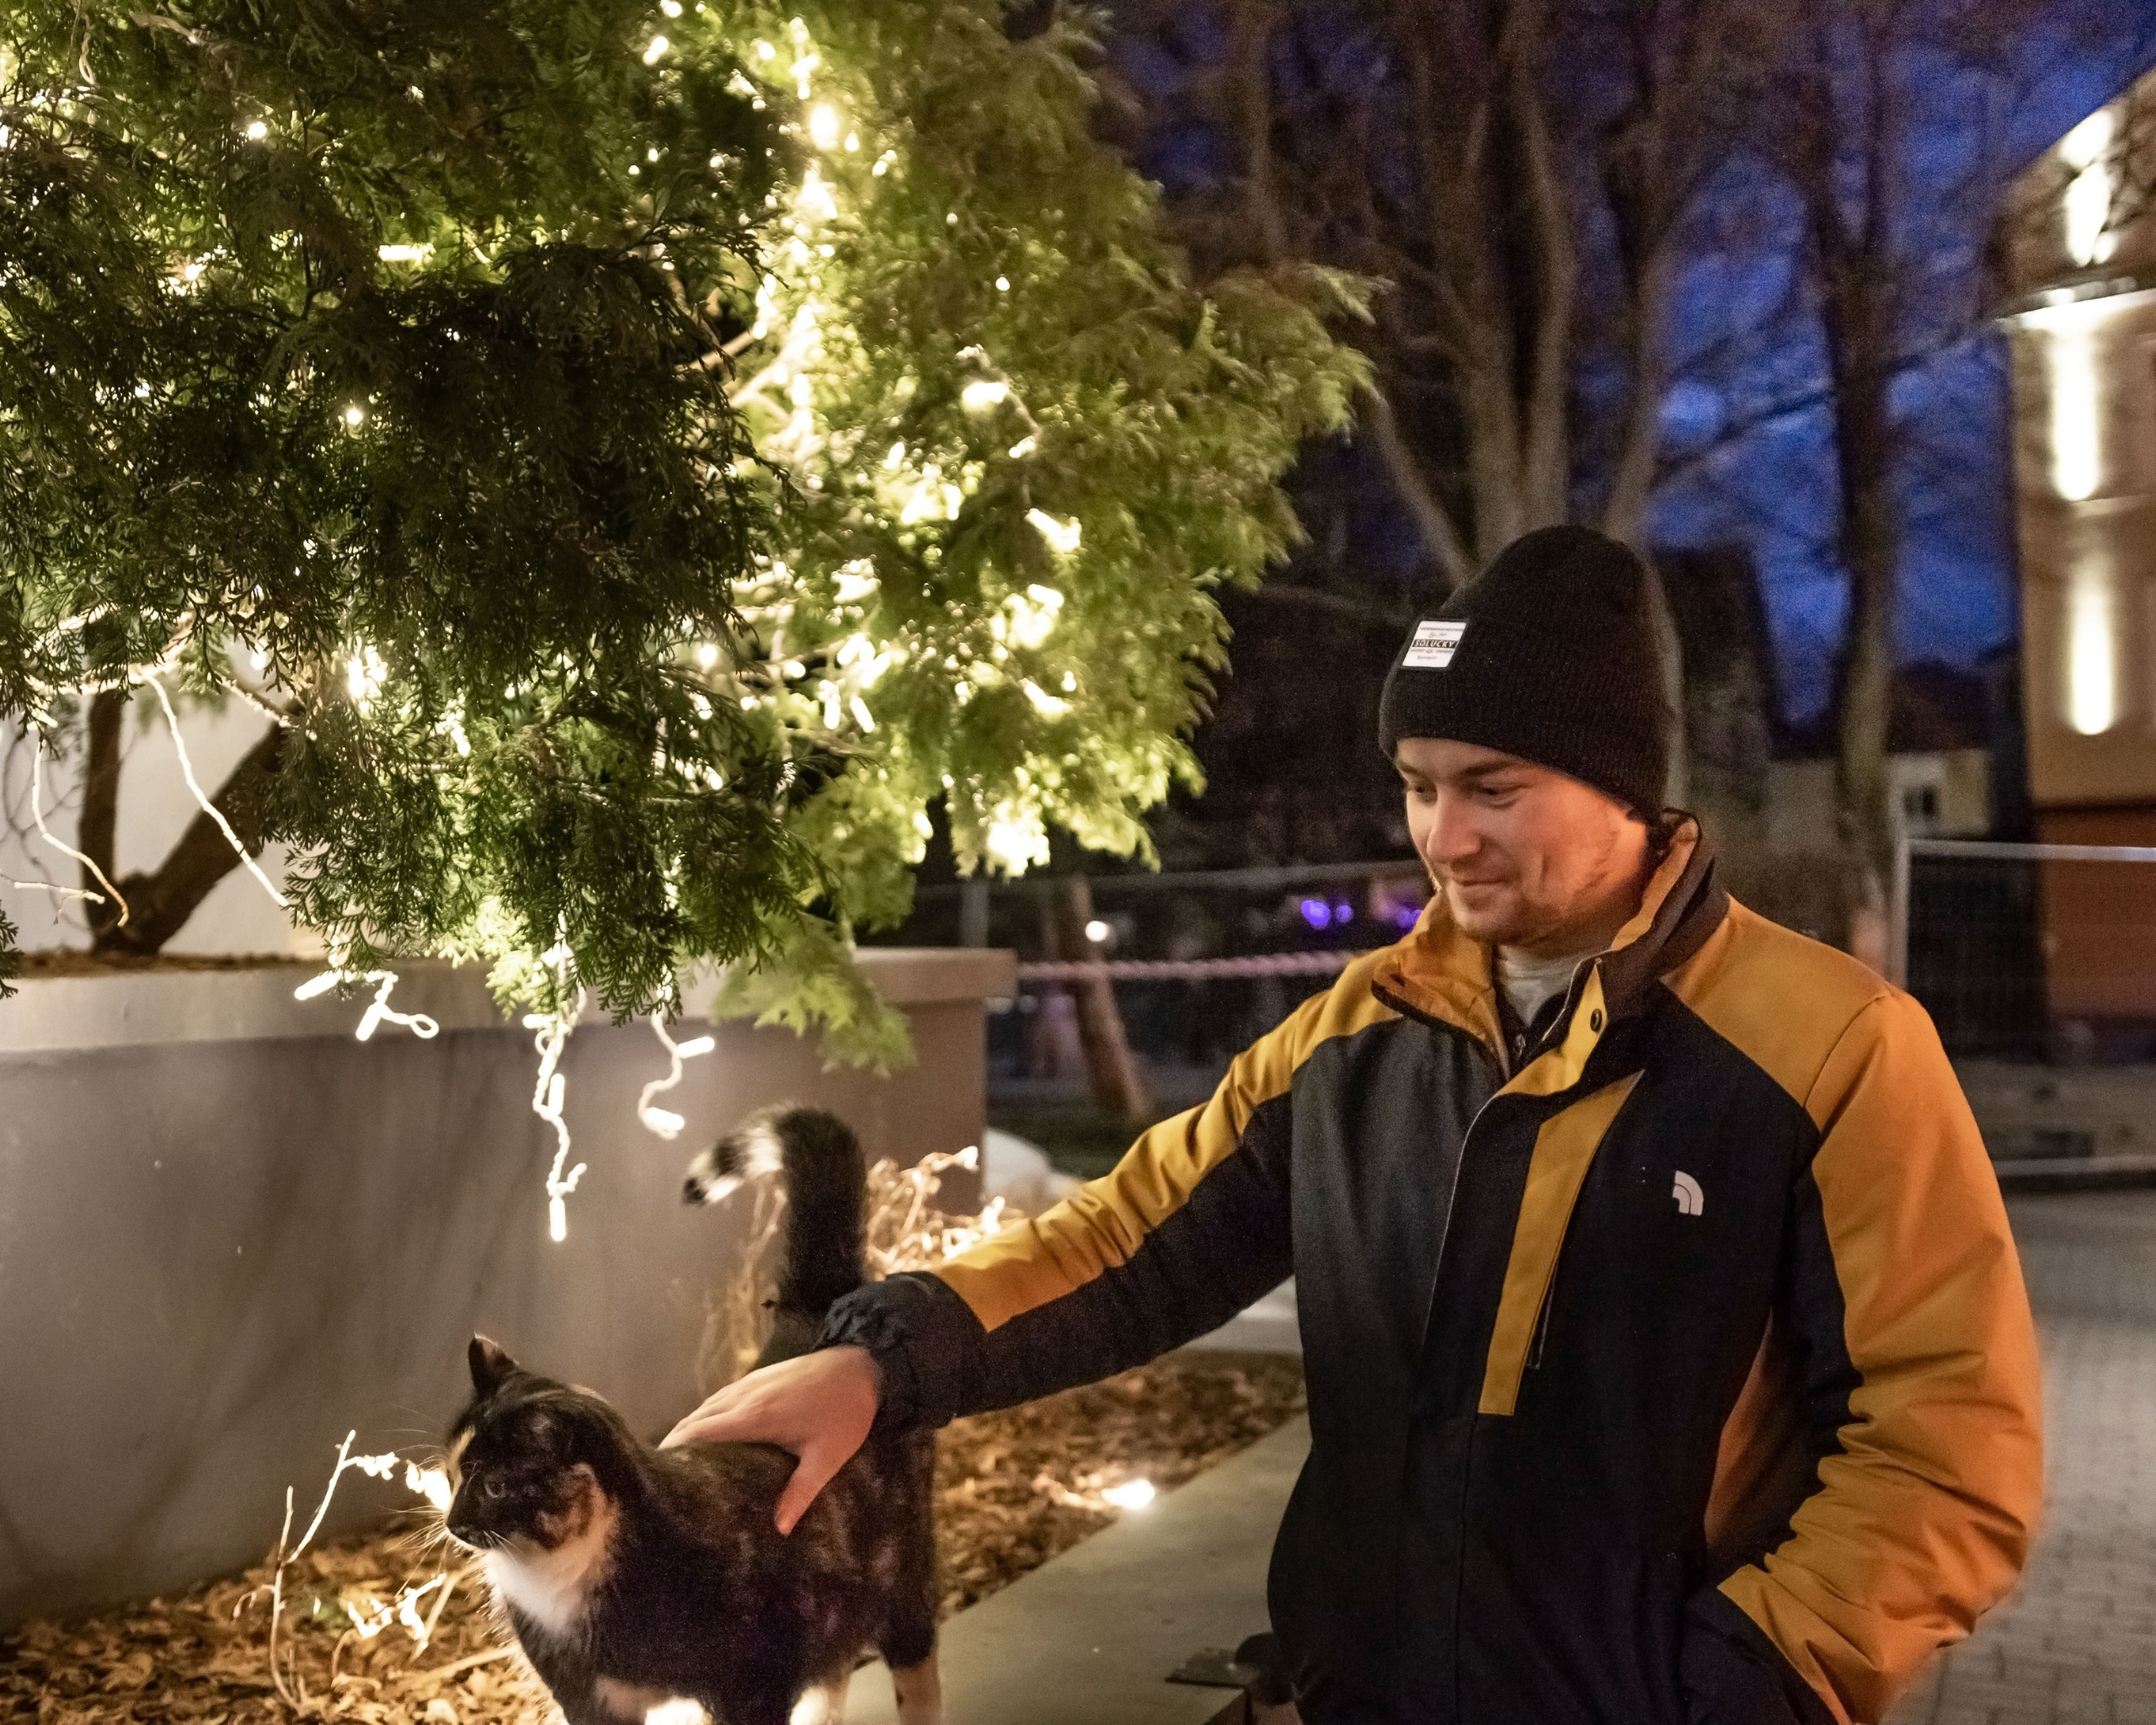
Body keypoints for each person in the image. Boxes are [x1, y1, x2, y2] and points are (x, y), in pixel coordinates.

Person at [664, 526, 2043, 1725]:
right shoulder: (1354, 1037)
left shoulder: (1836, 1046)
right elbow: (1136, 1239)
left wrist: (1759, 1680)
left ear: (1625, 786)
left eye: (1492, 788)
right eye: (1419, 783)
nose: (1444, 837)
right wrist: (887, 1360)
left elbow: (1949, 1441)